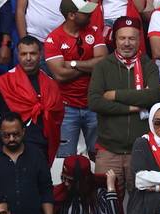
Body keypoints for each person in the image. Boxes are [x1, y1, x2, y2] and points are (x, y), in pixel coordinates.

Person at [89, 17, 160, 191]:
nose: (127, 43)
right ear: (115, 39)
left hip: (140, 151)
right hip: (108, 151)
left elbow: (153, 96)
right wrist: (130, 107)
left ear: (139, 40)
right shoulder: (103, 66)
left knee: (142, 206)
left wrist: (115, 95)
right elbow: (95, 102)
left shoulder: (149, 66)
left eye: (132, 38)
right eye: (122, 38)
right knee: (107, 206)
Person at [44, 0, 107, 159]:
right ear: (71, 15)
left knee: (100, 155)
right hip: (67, 108)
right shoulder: (54, 39)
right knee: (66, 158)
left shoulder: (93, 31)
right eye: (84, 12)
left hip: (94, 103)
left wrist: (73, 64)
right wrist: (89, 67)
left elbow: (103, 62)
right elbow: (60, 75)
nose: (90, 14)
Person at [0, 36, 62, 162]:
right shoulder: (5, 81)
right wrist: (9, 135)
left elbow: (57, 115)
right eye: (24, 54)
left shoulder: (51, 84)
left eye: (33, 53)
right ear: (17, 55)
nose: (28, 58)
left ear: (40, 55)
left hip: (41, 146)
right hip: (9, 145)